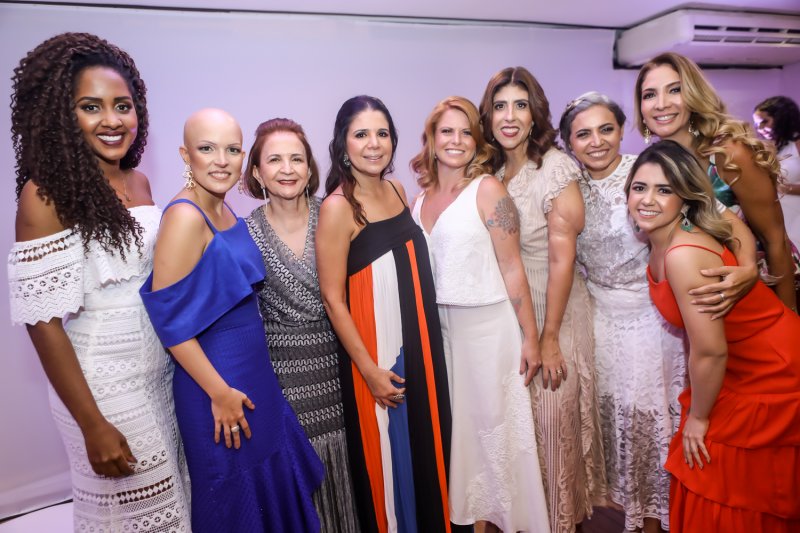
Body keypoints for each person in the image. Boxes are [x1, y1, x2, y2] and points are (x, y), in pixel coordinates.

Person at [7, 33, 191, 531]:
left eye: (122, 106)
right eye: (92, 107)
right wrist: (92, 424)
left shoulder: (138, 182)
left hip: (159, 375)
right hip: (102, 388)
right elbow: (42, 324)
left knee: (176, 505)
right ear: (63, 116)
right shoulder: (44, 195)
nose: (112, 120)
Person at [559, 92, 758, 533]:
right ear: (568, 142)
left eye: (606, 129)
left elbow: (724, 218)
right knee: (617, 427)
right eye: (583, 134)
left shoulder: (648, 171)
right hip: (600, 321)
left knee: (655, 426)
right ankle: (631, 516)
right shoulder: (567, 187)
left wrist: (746, 269)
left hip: (656, 321)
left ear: (622, 130)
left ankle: (663, 519)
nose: (596, 142)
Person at [140, 108, 323, 532]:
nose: (221, 160)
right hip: (217, 387)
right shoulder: (185, 216)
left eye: (232, 149)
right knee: (233, 500)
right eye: (207, 149)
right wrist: (219, 392)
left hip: (253, 377)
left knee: (269, 492)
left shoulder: (223, 209)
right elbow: (170, 324)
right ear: (186, 155)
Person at [626, 139, 800, 533]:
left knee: (724, 475)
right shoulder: (661, 241)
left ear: (685, 199)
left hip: (771, 368)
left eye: (664, 189)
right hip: (738, 362)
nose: (648, 200)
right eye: (640, 187)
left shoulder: (682, 253)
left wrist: (700, 418)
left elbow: (710, 352)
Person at [410, 96, 550, 532]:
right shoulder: (419, 198)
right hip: (443, 334)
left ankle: (502, 524)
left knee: (496, 439)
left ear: (477, 140)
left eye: (465, 131)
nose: (455, 140)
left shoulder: (488, 189)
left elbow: (513, 267)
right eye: (445, 131)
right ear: (431, 140)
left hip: (489, 332)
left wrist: (530, 338)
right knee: (461, 440)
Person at [316, 95, 451, 533]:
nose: (374, 144)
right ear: (342, 145)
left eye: (382, 133)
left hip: (420, 345)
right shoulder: (338, 207)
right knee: (390, 467)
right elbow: (333, 298)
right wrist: (370, 371)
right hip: (376, 356)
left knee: (427, 453)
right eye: (361, 135)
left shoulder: (396, 190)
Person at [479, 66, 605, 533]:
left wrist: (550, 337)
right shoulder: (491, 170)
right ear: (488, 116)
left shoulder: (554, 169)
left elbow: (560, 262)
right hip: (511, 319)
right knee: (521, 438)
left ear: (535, 115)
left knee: (552, 433)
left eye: (520, 105)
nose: (509, 116)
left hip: (556, 313)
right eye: (499, 106)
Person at [242, 117, 359, 532]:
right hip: (282, 380)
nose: (287, 168)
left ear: (310, 169)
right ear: (256, 171)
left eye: (297, 159)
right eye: (274, 159)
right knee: (300, 481)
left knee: (353, 472)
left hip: (344, 366)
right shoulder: (242, 234)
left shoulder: (338, 213)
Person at [635, 52, 798, 312]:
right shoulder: (658, 165)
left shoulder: (729, 155)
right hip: (705, 304)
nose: (661, 103)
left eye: (675, 90)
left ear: (694, 96)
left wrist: (790, 322)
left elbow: (775, 239)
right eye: (650, 94)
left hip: (758, 297)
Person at [753, 96, 800, 247]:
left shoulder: (798, 144)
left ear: (782, 118)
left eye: (764, 122)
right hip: (777, 216)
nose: (760, 129)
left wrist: (781, 187)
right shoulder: (772, 148)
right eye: (757, 125)